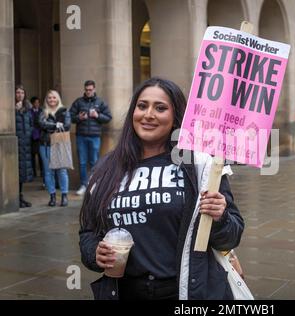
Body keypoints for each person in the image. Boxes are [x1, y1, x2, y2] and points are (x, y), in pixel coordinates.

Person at [79, 77, 244, 300]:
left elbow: (231, 236)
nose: (148, 115)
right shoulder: (106, 168)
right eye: (142, 106)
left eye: (160, 108)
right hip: (125, 292)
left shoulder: (199, 165)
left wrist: (220, 216)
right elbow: (89, 231)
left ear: (176, 116)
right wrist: (94, 254)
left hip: (185, 292)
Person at [70, 80, 112, 196]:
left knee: (94, 161)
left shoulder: (100, 102)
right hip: (81, 136)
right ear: (84, 89)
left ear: (94, 89)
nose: (88, 92)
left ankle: (93, 184)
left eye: (90, 90)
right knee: (82, 162)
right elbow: (70, 117)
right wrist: (79, 117)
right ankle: (84, 185)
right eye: (86, 90)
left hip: (94, 136)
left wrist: (97, 115)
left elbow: (108, 117)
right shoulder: (78, 102)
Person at [39, 90, 72, 207]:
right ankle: (52, 196)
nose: (51, 100)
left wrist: (51, 126)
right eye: (49, 98)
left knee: (62, 170)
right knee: (48, 172)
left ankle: (64, 196)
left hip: (59, 144)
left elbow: (67, 125)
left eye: (54, 97)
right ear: (46, 100)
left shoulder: (64, 111)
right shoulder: (43, 111)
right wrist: (55, 125)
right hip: (46, 144)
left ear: (58, 99)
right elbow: (41, 124)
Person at [15, 85, 33, 208]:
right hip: (15, 144)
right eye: (17, 92)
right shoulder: (10, 108)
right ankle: (15, 197)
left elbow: (32, 124)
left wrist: (29, 134)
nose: (20, 95)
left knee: (22, 173)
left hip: (25, 144)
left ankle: (20, 196)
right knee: (16, 172)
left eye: (22, 92)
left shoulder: (28, 108)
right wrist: (15, 110)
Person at [30, 97, 44, 185]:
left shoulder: (41, 111)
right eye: (35, 102)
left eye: (38, 102)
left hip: (40, 136)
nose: (37, 104)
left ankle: (42, 172)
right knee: (32, 156)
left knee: (40, 156)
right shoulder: (29, 111)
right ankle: (33, 173)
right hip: (32, 136)